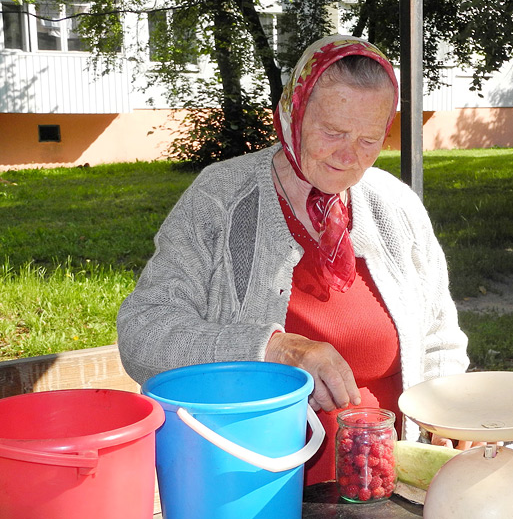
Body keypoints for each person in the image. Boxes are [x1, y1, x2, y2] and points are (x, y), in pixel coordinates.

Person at [117, 34, 471, 485]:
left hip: (387, 485)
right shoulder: (221, 197)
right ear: (294, 111)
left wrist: (447, 422)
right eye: (333, 132)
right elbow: (142, 332)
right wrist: (277, 349)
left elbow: (439, 337)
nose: (349, 156)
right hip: (251, 485)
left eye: (369, 139)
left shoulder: (395, 206)